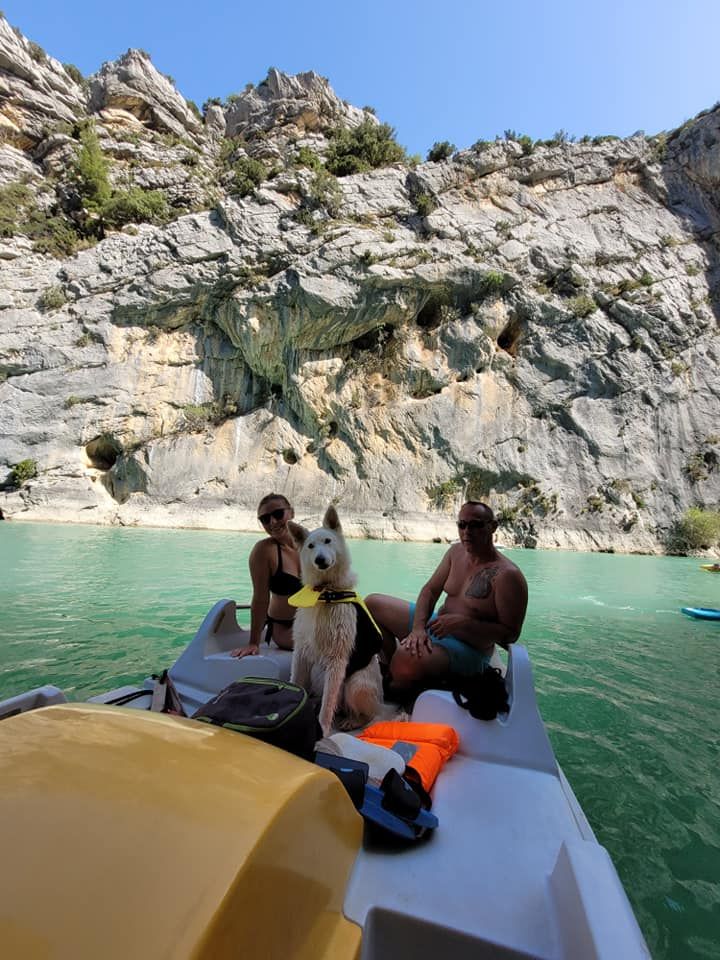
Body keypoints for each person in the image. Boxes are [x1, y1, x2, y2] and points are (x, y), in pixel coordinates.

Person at [366, 502, 528, 693]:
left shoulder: (508, 576)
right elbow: (430, 591)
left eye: (476, 525)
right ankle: (393, 668)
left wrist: (464, 623)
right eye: (462, 525)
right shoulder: (455, 552)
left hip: (470, 650)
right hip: (435, 626)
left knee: (406, 658)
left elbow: (510, 634)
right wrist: (418, 629)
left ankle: (399, 680)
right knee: (372, 604)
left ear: (493, 527)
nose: (467, 531)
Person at [232, 493, 301, 658]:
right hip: (286, 629)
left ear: (291, 512)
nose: (272, 522)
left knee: (371, 608)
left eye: (278, 514)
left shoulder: (313, 544)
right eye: (265, 519)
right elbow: (260, 599)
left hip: (318, 622)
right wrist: (254, 643)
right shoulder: (264, 551)